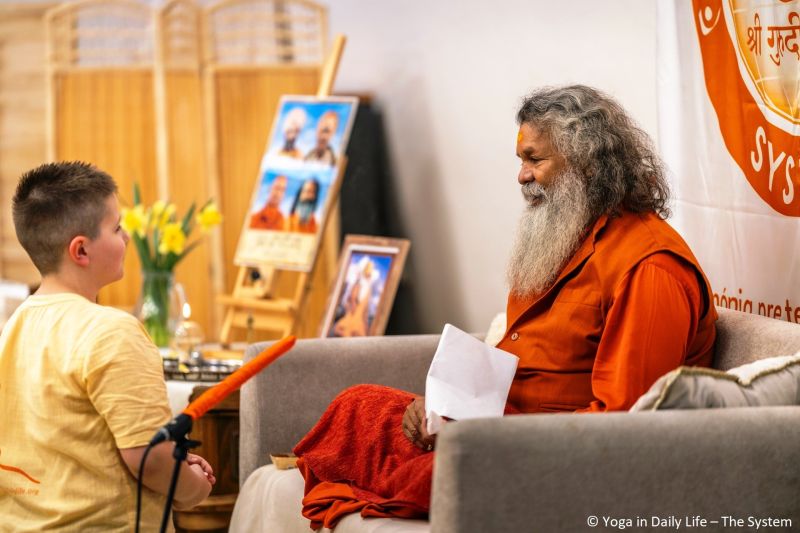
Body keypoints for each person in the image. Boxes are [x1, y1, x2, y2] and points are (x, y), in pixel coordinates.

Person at [292, 85, 718, 529]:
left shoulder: (649, 267)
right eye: (521, 160)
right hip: (503, 426)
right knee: (357, 404)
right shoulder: (565, 237)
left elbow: (626, 421)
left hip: (560, 453)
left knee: (451, 471)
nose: (521, 176)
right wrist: (444, 406)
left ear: (588, 164)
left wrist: (488, 437)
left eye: (534, 160)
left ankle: (401, 478)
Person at [0, 162, 215, 531]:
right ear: (81, 250)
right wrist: (194, 488)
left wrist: (175, 463)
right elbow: (150, 459)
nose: (127, 238)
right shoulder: (112, 330)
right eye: (116, 228)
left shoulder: (15, 325)